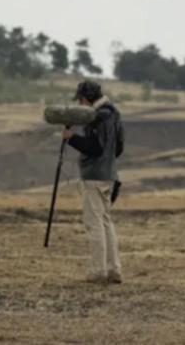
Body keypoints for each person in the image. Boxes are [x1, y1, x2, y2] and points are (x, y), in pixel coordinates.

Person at [61, 79, 125, 284]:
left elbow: (95, 148)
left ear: (86, 98)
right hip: (109, 174)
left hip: (94, 176)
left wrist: (72, 138)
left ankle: (99, 271)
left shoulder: (97, 117)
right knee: (106, 222)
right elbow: (119, 146)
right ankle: (114, 269)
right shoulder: (114, 114)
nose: (80, 105)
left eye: (81, 100)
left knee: (94, 223)